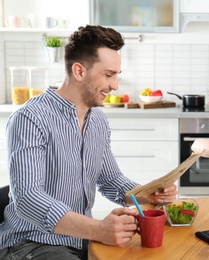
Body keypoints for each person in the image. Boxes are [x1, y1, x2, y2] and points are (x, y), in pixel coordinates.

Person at [0, 25, 177, 260]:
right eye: (108, 74)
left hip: (81, 240)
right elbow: (27, 198)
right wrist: (98, 229)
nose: (115, 85)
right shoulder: (30, 118)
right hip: (30, 243)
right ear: (79, 71)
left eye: (116, 75)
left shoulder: (97, 120)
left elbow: (110, 180)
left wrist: (148, 193)